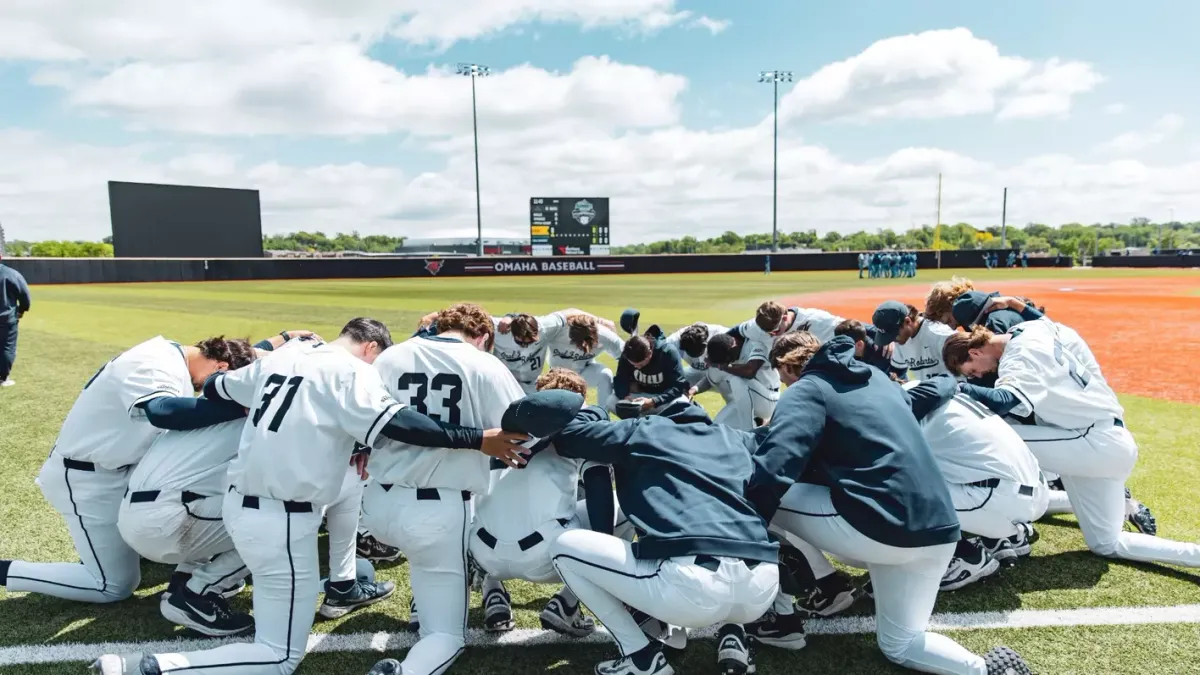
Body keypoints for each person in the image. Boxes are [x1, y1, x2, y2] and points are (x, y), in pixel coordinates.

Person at [91, 318, 529, 675]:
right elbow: (400, 424)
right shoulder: (353, 373)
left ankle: (213, 596)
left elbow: (216, 388)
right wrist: (476, 438)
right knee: (279, 656)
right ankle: (149, 668)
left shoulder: (287, 357)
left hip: (239, 510)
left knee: (285, 594)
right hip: (283, 517)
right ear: (372, 349)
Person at [748, 331, 1031, 675]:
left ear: (786, 367)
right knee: (901, 644)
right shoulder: (877, 377)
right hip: (941, 532)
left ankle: (792, 609)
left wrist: (746, 532)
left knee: (754, 494)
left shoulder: (808, 389)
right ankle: (986, 670)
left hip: (881, 531)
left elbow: (774, 468)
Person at [513, 390, 780, 675]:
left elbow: (569, 436)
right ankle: (734, 635)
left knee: (564, 547)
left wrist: (592, 411)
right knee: (729, 527)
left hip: (692, 586)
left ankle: (640, 657)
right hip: (761, 587)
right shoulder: (735, 438)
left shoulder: (645, 429)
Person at [2, 334, 256, 605]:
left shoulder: (171, 356)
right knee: (113, 585)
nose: (214, 393)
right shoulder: (155, 362)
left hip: (115, 473)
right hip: (87, 480)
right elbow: (164, 411)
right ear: (221, 368)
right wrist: (241, 407)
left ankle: (192, 568)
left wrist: (282, 340)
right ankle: (6, 570)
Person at [943, 318, 1200, 572]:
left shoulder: (1018, 356)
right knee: (1106, 543)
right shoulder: (1029, 328)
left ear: (976, 351)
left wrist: (954, 388)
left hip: (1092, 440)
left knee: (989, 436)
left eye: (973, 370)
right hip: (1097, 442)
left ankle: (977, 518)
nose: (980, 375)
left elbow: (1005, 399)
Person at [363, 304, 531, 675]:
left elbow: (361, 421)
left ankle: (423, 602)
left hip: (376, 504)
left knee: (426, 559)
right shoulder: (484, 364)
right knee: (446, 636)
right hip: (437, 512)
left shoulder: (391, 357)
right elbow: (524, 435)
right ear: (484, 337)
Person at [467, 368, 633, 641]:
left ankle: (493, 590)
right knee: (624, 510)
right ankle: (568, 603)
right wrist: (600, 556)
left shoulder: (505, 421)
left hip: (483, 550)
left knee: (493, 503)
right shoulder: (581, 429)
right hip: (543, 556)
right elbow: (599, 490)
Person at [902, 378, 1049, 590]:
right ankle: (999, 538)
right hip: (1033, 491)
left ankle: (965, 557)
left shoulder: (904, 404)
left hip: (1003, 502)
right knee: (941, 462)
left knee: (898, 491)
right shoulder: (933, 389)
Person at [609, 310, 689, 416]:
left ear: (650, 353)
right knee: (611, 401)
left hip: (663, 399)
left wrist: (654, 401)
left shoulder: (667, 352)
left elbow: (678, 386)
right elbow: (620, 379)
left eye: (641, 364)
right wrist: (625, 396)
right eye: (633, 364)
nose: (637, 367)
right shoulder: (627, 352)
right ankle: (639, 425)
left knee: (682, 402)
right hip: (639, 398)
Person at [701, 332, 780, 430]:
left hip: (769, 399)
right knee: (718, 427)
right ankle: (756, 421)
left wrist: (721, 366)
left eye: (727, 360)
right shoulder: (726, 349)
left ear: (734, 347)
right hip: (747, 400)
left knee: (737, 379)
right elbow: (712, 375)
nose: (727, 363)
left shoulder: (755, 344)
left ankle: (749, 431)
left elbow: (749, 372)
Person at [546, 313, 625, 405]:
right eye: (579, 342)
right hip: (558, 376)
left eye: (588, 342)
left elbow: (626, 355)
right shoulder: (558, 332)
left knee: (605, 374)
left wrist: (625, 385)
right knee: (571, 408)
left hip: (584, 371)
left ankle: (603, 414)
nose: (583, 346)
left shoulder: (605, 336)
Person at [872, 301, 958, 378]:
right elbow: (897, 372)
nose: (892, 340)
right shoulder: (901, 340)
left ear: (907, 321)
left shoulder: (941, 335)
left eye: (894, 335)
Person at [666, 321, 728, 389]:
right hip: (697, 372)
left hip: (721, 372)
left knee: (732, 389)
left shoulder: (722, 336)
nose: (691, 354)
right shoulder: (674, 341)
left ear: (705, 345)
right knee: (668, 384)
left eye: (695, 352)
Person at [0, 256, 30, 387]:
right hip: (6, 318)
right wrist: (22, 310)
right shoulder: (11, 274)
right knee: (7, 347)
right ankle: (3, 378)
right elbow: (24, 295)